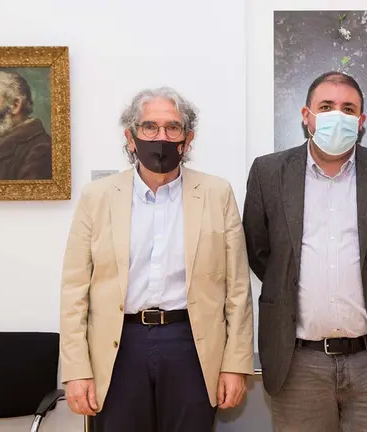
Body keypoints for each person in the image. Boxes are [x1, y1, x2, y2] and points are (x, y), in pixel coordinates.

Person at [243, 71, 367, 431]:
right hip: (298, 363)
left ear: (361, 122)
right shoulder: (268, 173)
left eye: (348, 109)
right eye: (326, 106)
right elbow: (260, 251)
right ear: (306, 115)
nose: (337, 115)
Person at [59, 87, 254, 432]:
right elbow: (75, 290)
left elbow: (238, 289)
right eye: (150, 127)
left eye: (172, 128)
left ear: (187, 139)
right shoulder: (98, 197)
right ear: (131, 138)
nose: (161, 137)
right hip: (119, 346)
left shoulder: (216, 193)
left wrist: (235, 363)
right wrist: (76, 369)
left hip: (191, 344)